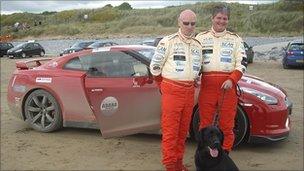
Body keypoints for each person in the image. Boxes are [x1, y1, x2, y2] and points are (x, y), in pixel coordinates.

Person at [149, 9, 203, 171]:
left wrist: (195, 78)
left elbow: (197, 69)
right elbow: (154, 68)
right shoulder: (168, 42)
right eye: (186, 23)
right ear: (179, 23)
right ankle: (171, 166)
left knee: (183, 131)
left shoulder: (197, 45)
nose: (189, 26)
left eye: (193, 23)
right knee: (171, 132)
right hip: (172, 90)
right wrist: (164, 86)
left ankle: (178, 163)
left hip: (189, 91)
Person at [195, 4, 247, 154]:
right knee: (204, 124)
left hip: (228, 86)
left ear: (228, 20)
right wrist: (193, 77)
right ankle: (204, 154)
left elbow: (242, 63)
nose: (221, 21)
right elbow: (194, 62)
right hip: (207, 86)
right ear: (212, 18)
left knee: (226, 125)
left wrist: (232, 79)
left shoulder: (235, 39)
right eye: (219, 17)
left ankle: (224, 155)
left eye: (225, 18)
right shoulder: (201, 38)